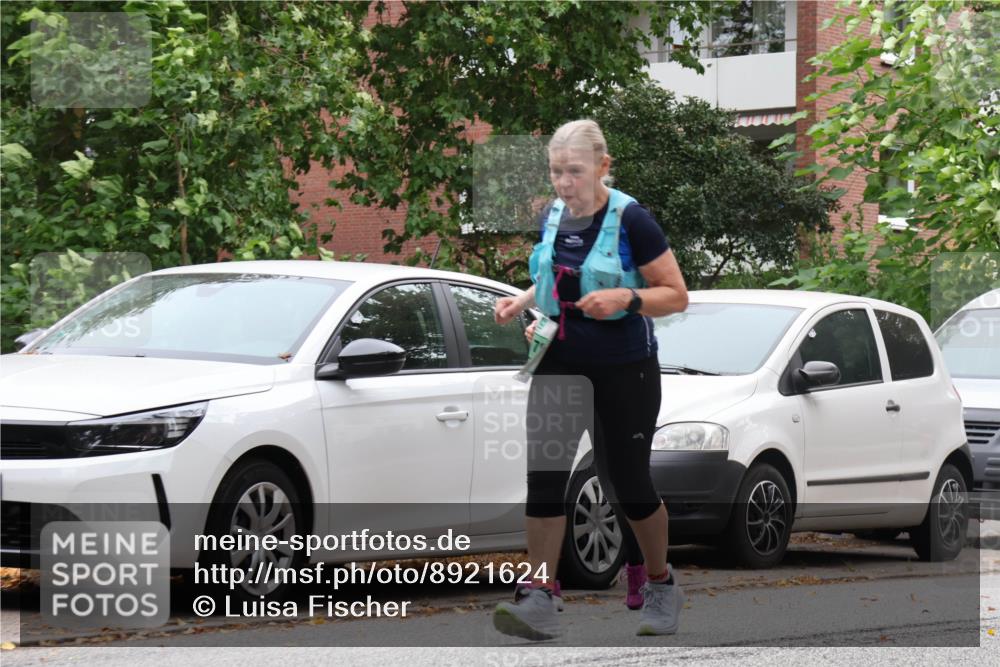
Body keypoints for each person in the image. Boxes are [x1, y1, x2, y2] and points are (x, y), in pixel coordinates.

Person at [492, 119, 688, 639]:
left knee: (627, 483)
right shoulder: (553, 215)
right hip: (557, 359)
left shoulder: (633, 220)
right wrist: (523, 299)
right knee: (545, 477)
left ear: (603, 166)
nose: (564, 183)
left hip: (625, 368)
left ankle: (660, 583)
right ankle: (539, 595)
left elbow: (676, 294)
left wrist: (628, 298)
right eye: (556, 171)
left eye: (574, 171)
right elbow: (557, 276)